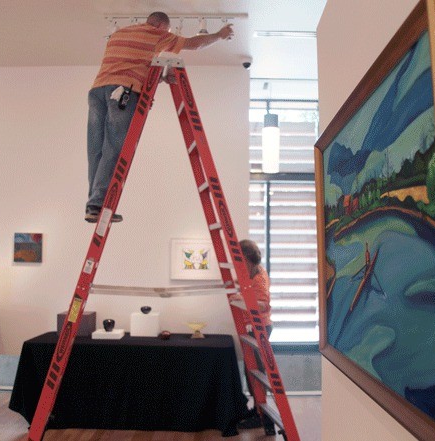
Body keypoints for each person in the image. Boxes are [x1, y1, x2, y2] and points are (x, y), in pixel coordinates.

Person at [85, 12, 234, 222]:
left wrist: (161, 77)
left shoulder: (120, 34)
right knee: (114, 148)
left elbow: (131, 64)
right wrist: (219, 34)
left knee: (96, 151)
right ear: (162, 26)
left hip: (97, 91)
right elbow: (194, 44)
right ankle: (100, 204)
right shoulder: (156, 34)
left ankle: (93, 205)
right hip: (121, 93)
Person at [235, 239, 276, 435]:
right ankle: (258, 410)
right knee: (250, 371)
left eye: (238, 258)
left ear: (246, 258)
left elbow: (263, 304)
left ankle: (265, 419)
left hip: (261, 328)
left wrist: (243, 299)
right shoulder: (250, 273)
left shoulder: (259, 277)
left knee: (257, 373)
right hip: (253, 327)